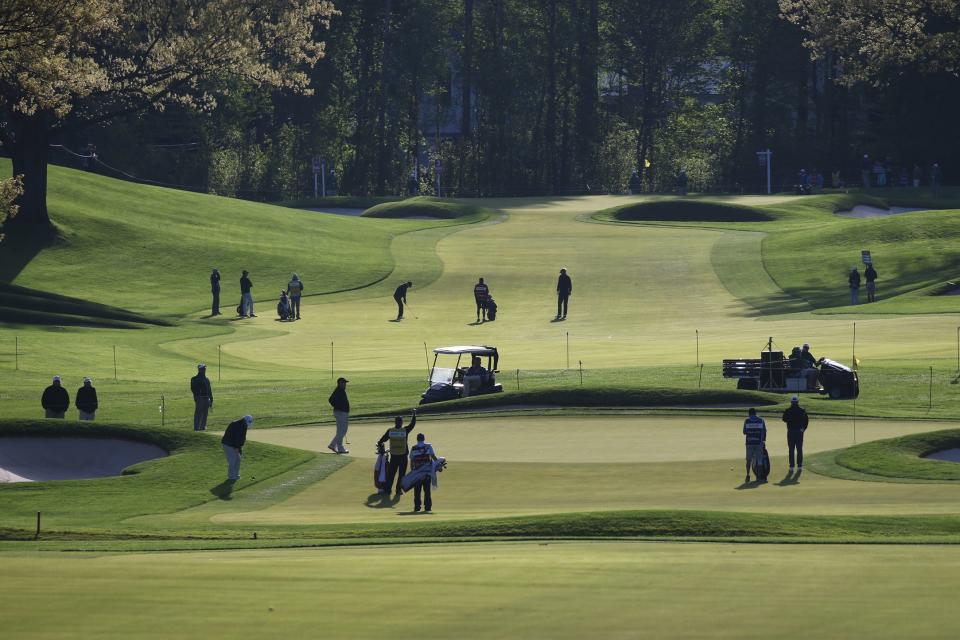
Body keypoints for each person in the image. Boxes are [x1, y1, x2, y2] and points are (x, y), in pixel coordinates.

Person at [377, 410, 417, 497]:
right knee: (401, 475)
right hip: (402, 456)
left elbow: (382, 440)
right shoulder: (404, 430)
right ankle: (398, 490)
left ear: (395, 422)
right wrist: (414, 414)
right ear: (402, 422)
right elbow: (412, 425)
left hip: (394, 456)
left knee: (391, 474)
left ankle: (388, 490)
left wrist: (380, 445)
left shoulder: (390, 431)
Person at [410, 433, 439, 512]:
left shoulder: (413, 448)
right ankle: (428, 507)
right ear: (424, 438)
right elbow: (433, 456)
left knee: (417, 492)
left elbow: (412, 461)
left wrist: (412, 472)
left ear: (417, 439)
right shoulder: (428, 446)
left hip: (417, 473)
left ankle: (417, 507)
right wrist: (438, 465)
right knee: (427, 491)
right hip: (427, 473)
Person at [221, 415, 253, 481]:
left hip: (235, 444)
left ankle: (237, 476)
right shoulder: (236, 425)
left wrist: (239, 448)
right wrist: (236, 447)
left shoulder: (244, 425)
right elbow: (236, 438)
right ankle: (231, 477)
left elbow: (242, 437)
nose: (248, 425)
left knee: (238, 459)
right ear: (244, 420)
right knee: (232, 460)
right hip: (228, 444)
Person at [781, 396, 808, 471]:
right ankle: (799, 466)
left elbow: (784, 419)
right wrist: (803, 429)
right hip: (799, 431)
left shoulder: (788, 410)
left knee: (791, 449)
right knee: (799, 449)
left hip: (791, 431)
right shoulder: (802, 410)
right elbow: (806, 421)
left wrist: (789, 420)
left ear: (791, 402)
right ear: (797, 402)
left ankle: (791, 466)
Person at [742, 408, 767, 483]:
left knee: (748, 460)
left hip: (749, 443)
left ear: (749, 414)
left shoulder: (747, 420)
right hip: (758, 443)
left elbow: (744, 432)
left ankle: (748, 475)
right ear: (755, 413)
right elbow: (764, 431)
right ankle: (758, 477)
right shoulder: (761, 420)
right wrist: (763, 440)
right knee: (759, 460)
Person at [328, 377, 350, 454]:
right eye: (343, 383)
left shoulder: (341, 390)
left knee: (341, 431)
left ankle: (334, 446)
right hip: (340, 413)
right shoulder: (338, 391)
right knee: (342, 431)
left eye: (345, 383)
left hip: (342, 412)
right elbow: (330, 400)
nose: (345, 384)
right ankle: (338, 447)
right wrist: (338, 406)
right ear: (339, 383)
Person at [190, 363, 213, 431]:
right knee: (198, 413)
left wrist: (211, 399)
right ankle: (196, 428)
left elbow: (209, 390)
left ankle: (202, 428)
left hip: (206, 398)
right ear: (199, 370)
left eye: (204, 369)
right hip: (200, 398)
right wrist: (197, 396)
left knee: (205, 413)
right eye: (203, 369)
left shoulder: (207, 379)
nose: (204, 370)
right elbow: (193, 389)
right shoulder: (195, 378)